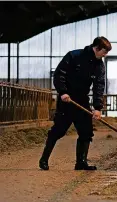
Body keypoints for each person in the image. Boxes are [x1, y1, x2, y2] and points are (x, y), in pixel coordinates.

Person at [39, 36, 112, 171]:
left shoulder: (99, 65)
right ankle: (44, 159)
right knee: (58, 131)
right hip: (67, 100)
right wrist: (63, 92)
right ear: (96, 48)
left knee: (86, 132)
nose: (105, 55)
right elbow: (59, 75)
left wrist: (97, 108)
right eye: (104, 52)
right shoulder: (74, 56)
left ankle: (81, 163)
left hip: (82, 101)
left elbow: (99, 86)